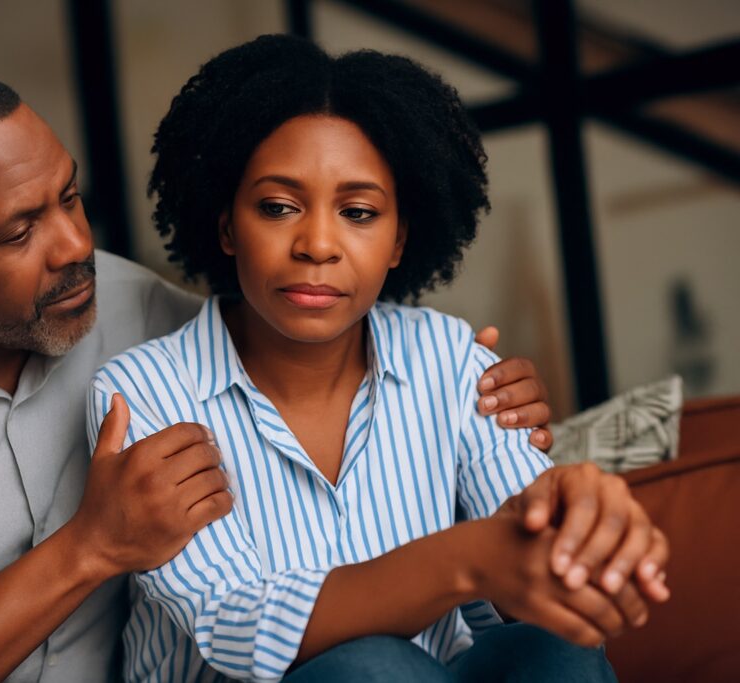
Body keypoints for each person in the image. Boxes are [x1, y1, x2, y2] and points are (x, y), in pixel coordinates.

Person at [0, 67, 555, 682]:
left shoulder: (136, 309)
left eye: (70, 197)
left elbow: (294, 331)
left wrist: (468, 383)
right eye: (21, 229)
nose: (72, 246)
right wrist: (88, 549)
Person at [86, 35, 669, 682]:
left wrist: (570, 522)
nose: (317, 244)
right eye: (278, 207)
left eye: (359, 212)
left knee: (558, 646)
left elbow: (526, 543)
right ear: (226, 225)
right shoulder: (143, 393)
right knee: (373, 666)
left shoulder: (448, 356)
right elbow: (235, 622)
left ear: (399, 241)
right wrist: (466, 556)